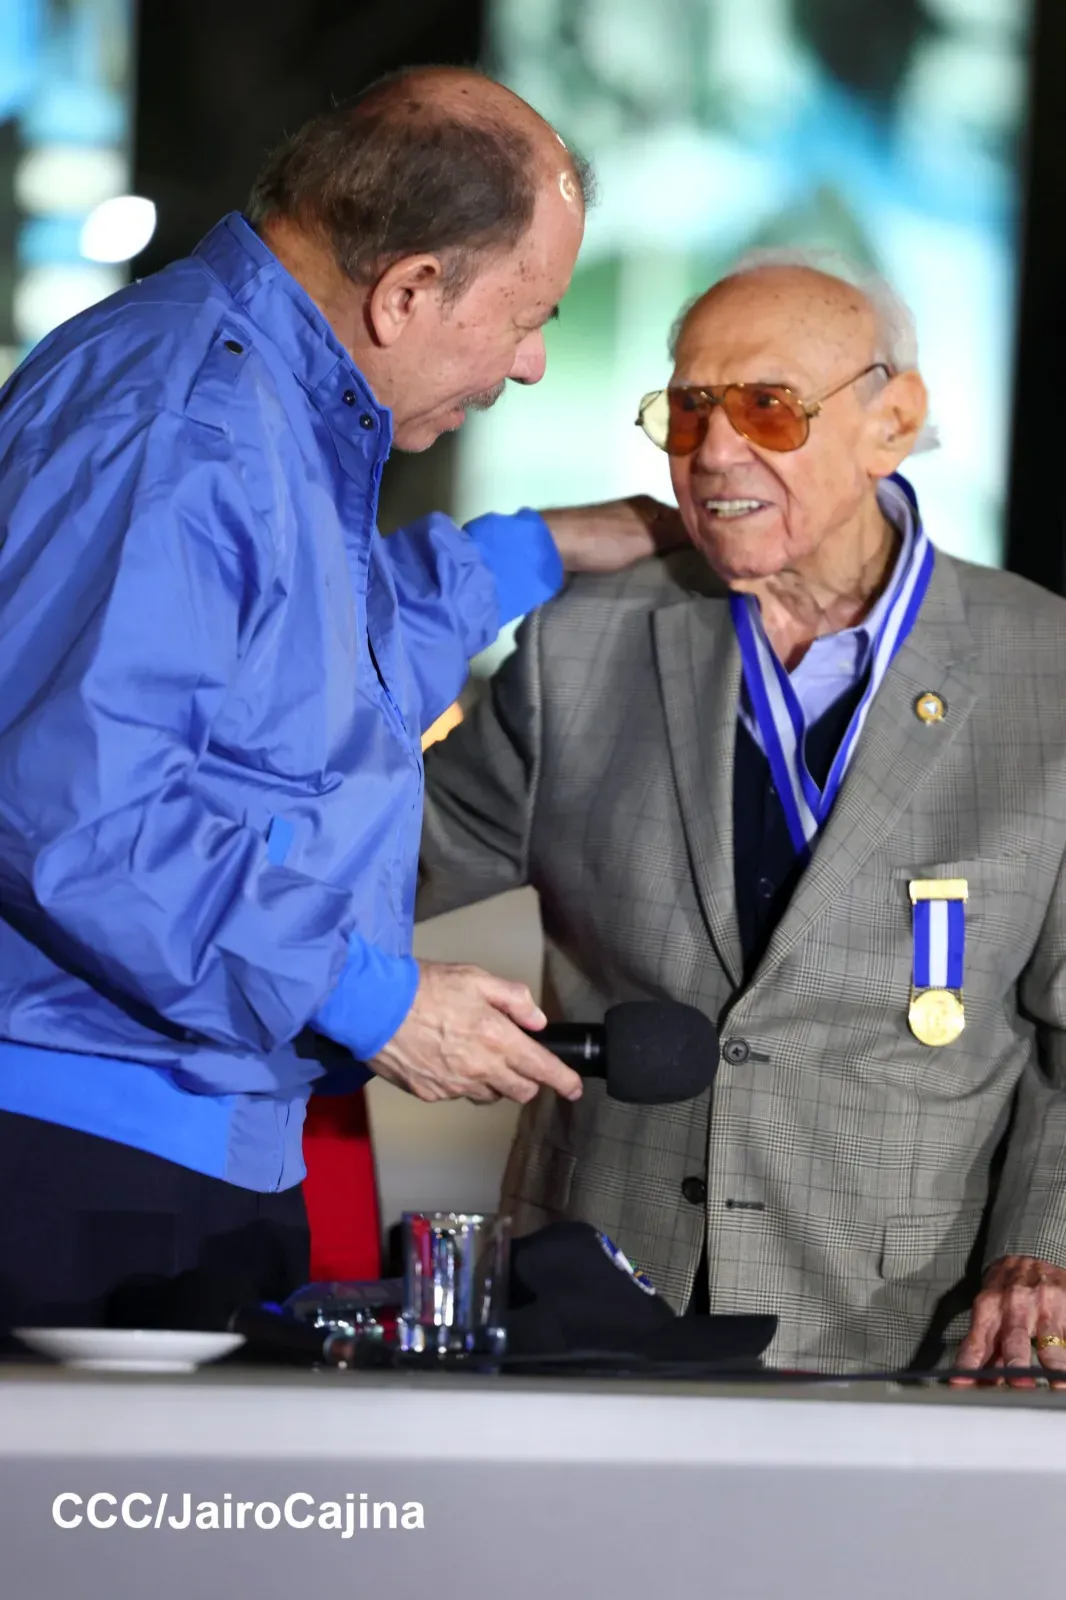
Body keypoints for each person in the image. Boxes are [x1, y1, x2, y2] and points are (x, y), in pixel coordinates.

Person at [0, 67, 675, 1331]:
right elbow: (79, 809)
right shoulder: (183, 419)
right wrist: (378, 1001)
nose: (532, 363)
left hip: (182, 1142)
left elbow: (298, 691)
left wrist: (531, 550)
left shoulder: (260, 401)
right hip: (84, 1156)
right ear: (407, 288)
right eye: (526, 316)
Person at [419, 250, 1066, 1379]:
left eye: (768, 406)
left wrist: (1043, 1248)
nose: (714, 451)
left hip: (912, 1325)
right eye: (688, 410)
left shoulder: (1044, 667)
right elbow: (371, 868)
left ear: (892, 422)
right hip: (596, 1307)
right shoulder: (585, 644)